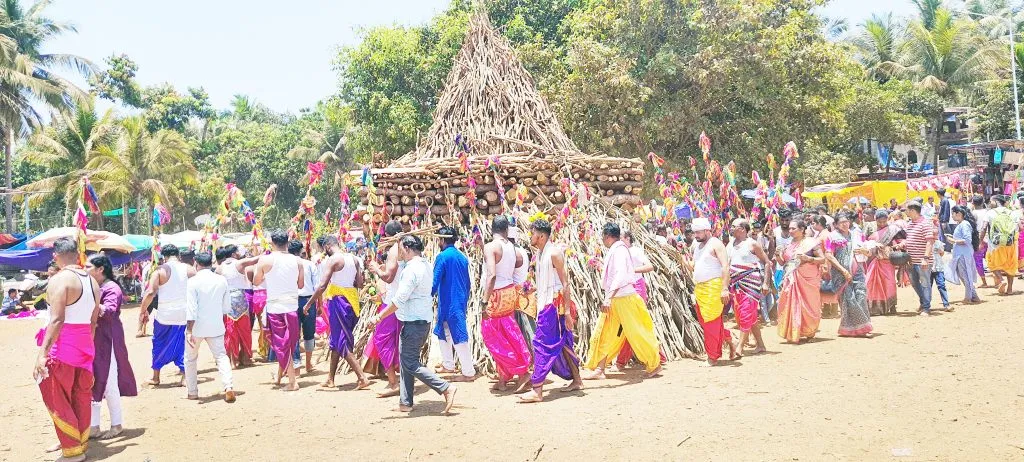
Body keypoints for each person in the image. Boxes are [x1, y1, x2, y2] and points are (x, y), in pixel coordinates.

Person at [368, 235, 457, 414]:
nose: (398, 253)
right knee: (407, 360)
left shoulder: (411, 269)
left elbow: (399, 300)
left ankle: (445, 387)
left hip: (413, 322)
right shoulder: (424, 264)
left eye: (400, 249)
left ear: (407, 248)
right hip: (420, 319)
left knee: (409, 362)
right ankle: (405, 402)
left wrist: (378, 317)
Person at [33, 237, 100, 461]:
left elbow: (57, 319)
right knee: (79, 396)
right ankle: (78, 444)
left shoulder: (60, 280)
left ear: (56, 255)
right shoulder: (93, 282)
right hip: (85, 348)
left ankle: (72, 451)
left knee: (55, 394)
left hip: (63, 349)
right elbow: (92, 322)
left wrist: (42, 353)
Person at [583, 223, 663, 377]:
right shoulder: (617, 251)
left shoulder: (619, 251)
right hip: (616, 299)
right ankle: (600, 368)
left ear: (607, 236)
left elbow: (620, 276)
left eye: (603, 237)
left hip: (624, 298)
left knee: (637, 333)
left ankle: (654, 365)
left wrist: (609, 297)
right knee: (604, 332)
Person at [517, 219, 583, 403]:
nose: (531, 236)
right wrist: (533, 290)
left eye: (533, 233)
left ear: (541, 235)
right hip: (547, 303)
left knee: (540, 343)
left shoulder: (554, 253)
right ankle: (577, 380)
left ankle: (537, 390)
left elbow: (565, 283)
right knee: (565, 343)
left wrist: (568, 313)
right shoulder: (539, 253)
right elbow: (548, 281)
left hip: (554, 306)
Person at [305, 235, 370, 390]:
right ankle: (330, 379)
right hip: (352, 302)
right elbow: (360, 283)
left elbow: (322, 286)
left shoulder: (333, 259)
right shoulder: (354, 259)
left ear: (328, 246)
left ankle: (362, 378)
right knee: (336, 339)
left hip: (338, 302)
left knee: (341, 341)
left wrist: (309, 304)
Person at [84, 254, 137, 440]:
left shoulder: (111, 288)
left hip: (109, 339)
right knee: (95, 378)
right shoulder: (96, 287)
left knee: (108, 380)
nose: (85, 270)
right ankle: (94, 427)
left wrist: (90, 304)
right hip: (97, 338)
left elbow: (110, 310)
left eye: (88, 266)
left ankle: (116, 424)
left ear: (100, 269)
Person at [480, 216, 532, 392]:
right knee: (507, 333)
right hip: (509, 292)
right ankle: (504, 378)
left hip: (496, 294)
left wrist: (484, 301)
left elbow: (491, 275)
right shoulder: (511, 247)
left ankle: (521, 371)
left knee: (492, 335)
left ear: (491, 228)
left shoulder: (491, 247)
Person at [682, 218, 739, 365]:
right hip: (700, 288)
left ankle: (712, 357)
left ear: (708, 230)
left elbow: (725, 267)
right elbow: (694, 266)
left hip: (714, 287)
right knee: (706, 321)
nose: (696, 235)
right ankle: (729, 339)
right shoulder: (697, 245)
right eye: (694, 232)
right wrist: (682, 259)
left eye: (698, 232)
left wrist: (724, 288)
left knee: (710, 322)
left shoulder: (716, 244)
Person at [255, 230, 305, 391]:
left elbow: (256, 281)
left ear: (272, 242)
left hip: (275, 307)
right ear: (288, 242)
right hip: (292, 305)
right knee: (288, 343)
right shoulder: (297, 261)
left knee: (281, 344)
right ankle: (280, 377)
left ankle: (292, 381)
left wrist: (267, 276)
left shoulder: (265, 260)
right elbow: (301, 285)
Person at [184, 251, 235, 403]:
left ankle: (192, 392)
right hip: (216, 324)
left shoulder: (192, 282)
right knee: (221, 356)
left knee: (190, 359)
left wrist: (189, 329)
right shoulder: (221, 280)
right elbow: (226, 307)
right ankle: (228, 386)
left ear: (196, 263)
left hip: (197, 327)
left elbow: (191, 309)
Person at [140, 245, 195, 387]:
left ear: (163, 256)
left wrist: (143, 310)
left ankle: (156, 377)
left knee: (158, 343)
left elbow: (151, 292)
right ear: (178, 255)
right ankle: (184, 377)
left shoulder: (159, 271)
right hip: (184, 313)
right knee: (183, 345)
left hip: (164, 314)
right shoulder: (190, 269)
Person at [614, 230, 667, 369]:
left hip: (636, 288)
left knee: (633, 325)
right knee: (630, 325)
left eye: (621, 238)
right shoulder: (619, 252)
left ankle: (622, 361)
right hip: (625, 289)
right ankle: (658, 355)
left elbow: (650, 266)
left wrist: (632, 270)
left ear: (627, 238)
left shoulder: (636, 251)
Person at [431, 226, 476, 383]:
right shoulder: (462, 257)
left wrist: (426, 296)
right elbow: (468, 282)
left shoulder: (442, 257)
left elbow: (434, 281)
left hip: (450, 302)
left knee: (458, 335)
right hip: (459, 300)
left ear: (443, 240)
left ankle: (468, 372)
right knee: (444, 331)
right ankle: (448, 364)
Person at [366, 220, 405, 397]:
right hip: (404, 302)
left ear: (387, 236)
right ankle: (400, 380)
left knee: (382, 339)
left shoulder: (394, 251)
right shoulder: (408, 248)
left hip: (392, 303)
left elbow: (388, 278)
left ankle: (393, 382)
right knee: (399, 341)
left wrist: (376, 270)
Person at [726, 218, 769, 355]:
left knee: (745, 313)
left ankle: (739, 347)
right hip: (735, 284)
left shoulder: (753, 244)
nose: (731, 228)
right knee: (745, 315)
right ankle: (761, 345)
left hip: (750, 283)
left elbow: (767, 262)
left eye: (734, 226)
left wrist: (766, 283)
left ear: (743, 229)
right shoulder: (730, 245)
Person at [776, 220, 824, 343]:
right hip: (791, 278)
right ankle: (793, 331)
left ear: (802, 229)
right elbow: (783, 263)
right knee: (790, 303)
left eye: (793, 228)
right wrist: (777, 256)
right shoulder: (789, 244)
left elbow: (822, 259)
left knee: (808, 304)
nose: (790, 231)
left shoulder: (810, 243)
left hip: (807, 278)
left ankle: (809, 331)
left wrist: (808, 258)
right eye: (789, 229)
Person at [214, 245, 257, 368]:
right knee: (244, 329)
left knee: (230, 330)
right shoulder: (239, 263)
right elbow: (255, 260)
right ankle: (246, 358)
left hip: (226, 299)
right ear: (233, 254)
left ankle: (233, 360)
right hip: (240, 298)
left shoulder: (219, 268)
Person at [831, 213, 873, 337]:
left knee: (861, 296)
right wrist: (843, 271)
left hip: (858, 271)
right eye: (841, 222)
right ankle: (850, 328)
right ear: (836, 225)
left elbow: (869, 252)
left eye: (846, 221)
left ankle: (862, 326)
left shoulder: (857, 235)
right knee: (848, 300)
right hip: (841, 273)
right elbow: (829, 254)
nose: (845, 224)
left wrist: (865, 251)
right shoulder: (832, 237)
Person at [902, 201, 938, 316]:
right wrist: (903, 243)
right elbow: (909, 239)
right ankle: (923, 302)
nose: (905, 212)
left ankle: (926, 307)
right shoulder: (910, 224)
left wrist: (925, 258)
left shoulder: (925, 223)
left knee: (925, 283)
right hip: (911, 260)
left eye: (906, 210)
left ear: (912, 211)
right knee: (914, 283)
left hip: (922, 261)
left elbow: (929, 242)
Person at [866, 209, 901, 316]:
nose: (882, 224)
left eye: (884, 222)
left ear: (887, 220)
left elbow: (901, 241)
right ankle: (877, 307)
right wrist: (873, 244)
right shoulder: (871, 231)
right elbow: (866, 243)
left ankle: (892, 306)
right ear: (875, 220)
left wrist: (897, 246)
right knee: (873, 283)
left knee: (889, 283)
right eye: (879, 222)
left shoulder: (893, 230)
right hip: (875, 261)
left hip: (888, 262)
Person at [290, 240, 317, 374]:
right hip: (309, 300)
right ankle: (308, 363)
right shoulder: (310, 265)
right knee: (309, 333)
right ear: (301, 250)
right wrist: (319, 304)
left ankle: (297, 366)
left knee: (293, 334)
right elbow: (317, 287)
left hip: (292, 302)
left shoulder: (287, 265)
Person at [947, 205, 982, 304]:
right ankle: (973, 296)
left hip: (963, 254)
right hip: (961, 253)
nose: (952, 216)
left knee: (965, 275)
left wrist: (953, 240)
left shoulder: (964, 224)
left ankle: (968, 298)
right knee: (964, 275)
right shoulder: (962, 224)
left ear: (958, 214)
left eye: (953, 213)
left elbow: (967, 240)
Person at [987, 195, 1020, 295]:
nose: (990, 203)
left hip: (995, 244)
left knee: (991, 262)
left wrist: (980, 242)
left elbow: (984, 227)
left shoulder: (990, 213)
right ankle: (1009, 289)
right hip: (1011, 243)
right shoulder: (1013, 213)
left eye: (991, 201)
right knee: (1011, 265)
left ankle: (1001, 280)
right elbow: (1019, 228)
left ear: (996, 202)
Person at [971, 196, 992, 288]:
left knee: (978, 260)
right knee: (991, 259)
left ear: (973, 203)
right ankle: (997, 279)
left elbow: (972, 227)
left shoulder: (973, 213)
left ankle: (984, 282)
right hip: (990, 237)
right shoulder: (988, 212)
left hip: (979, 238)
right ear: (983, 201)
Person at [931, 239, 951, 311]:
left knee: (941, 285)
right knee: (927, 287)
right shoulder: (924, 243)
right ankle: (924, 305)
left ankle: (946, 304)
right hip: (928, 268)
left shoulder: (939, 243)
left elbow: (942, 254)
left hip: (938, 267)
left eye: (936, 234)